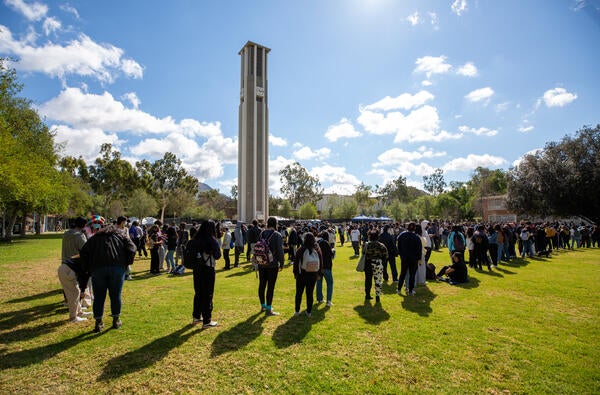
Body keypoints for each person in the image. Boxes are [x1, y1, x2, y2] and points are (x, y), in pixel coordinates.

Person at [79, 219, 136, 332]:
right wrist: (126, 263)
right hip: (117, 268)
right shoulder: (120, 236)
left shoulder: (94, 238)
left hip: (98, 269)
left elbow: (83, 252)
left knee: (99, 296)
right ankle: (116, 319)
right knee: (115, 295)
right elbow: (132, 248)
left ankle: (98, 322)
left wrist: (88, 268)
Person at [187, 220, 221, 328]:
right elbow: (218, 255)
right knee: (208, 294)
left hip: (197, 269)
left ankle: (196, 316)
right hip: (208, 268)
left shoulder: (195, 239)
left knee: (198, 293)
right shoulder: (211, 240)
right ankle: (207, 320)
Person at [58, 216, 90, 323]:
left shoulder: (66, 234)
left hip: (66, 263)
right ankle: (73, 317)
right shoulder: (80, 236)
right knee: (74, 293)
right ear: (84, 226)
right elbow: (86, 251)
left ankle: (79, 312)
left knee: (73, 291)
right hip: (74, 267)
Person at [257, 217, 285, 316]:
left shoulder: (261, 233)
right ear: (275, 224)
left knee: (262, 285)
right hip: (272, 265)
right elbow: (280, 251)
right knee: (270, 286)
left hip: (261, 263)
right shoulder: (277, 235)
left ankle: (263, 305)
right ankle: (269, 308)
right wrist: (282, 263)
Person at [293, 232, 323, 317]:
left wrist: (295, 273)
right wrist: (319, 274)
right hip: (313, 274)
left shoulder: (301, 249)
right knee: (310, 294)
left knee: (299, 293)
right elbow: (321, 262)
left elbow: (296, 263)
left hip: (301, 274)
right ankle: (309, 312)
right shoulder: (317, 249)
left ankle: (297, 311)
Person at [396, 222, 422, 296]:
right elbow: (419, 249)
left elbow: (398, 245)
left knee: (403, 273)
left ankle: (399, 289)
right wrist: (419, 258)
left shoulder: (402, 235)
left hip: (404, 257)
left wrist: (400, 254)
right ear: (414, 228)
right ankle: (410, 290)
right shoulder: (416, 237)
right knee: (412, 274)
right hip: (413, 259)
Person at [363, 229, 388, 302]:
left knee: (368, 280)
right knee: (378, 280)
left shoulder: (366, 245)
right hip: (378, 263)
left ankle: (367, 294)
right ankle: (378, 295)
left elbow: (363, 253)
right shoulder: (381, 245)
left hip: (368, 264)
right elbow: (386, 256)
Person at [316, 230, 334, 307]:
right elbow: (331, 254)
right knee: (330, 283)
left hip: (319, 267)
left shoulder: (318, 243)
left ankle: (320, 298)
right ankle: (328, 301)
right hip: (327, 266)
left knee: (319, 283)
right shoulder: (326, 243)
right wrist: (333, 251)